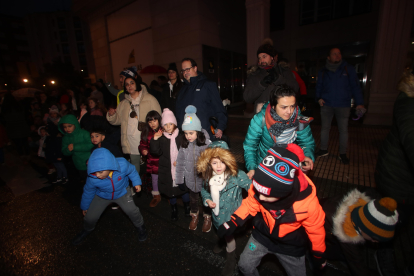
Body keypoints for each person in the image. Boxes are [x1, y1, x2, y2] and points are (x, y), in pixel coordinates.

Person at [218, 144, 326, 276]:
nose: (260, 197)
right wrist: (234, 221)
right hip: (262, 236)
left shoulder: (308, 204)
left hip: (291, 246)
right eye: (258, 191)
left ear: (284, 193)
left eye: (266, 195)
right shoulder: (260, 188)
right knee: (244, 266)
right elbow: (251, 203)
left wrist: (319, 254)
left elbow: (316, 230)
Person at [71, 148, 147, 245]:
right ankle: (87, 229)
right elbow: (88, 191)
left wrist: (136, 183)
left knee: (132, 211)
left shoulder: (122, 164)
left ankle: (140, 227)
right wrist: (85, 206)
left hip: (122, 192)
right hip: (102, 195)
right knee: (90, 217)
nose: (97, 175)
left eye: (100, 172)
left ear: (109, 166)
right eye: (95, 172)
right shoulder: (92, 177)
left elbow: (132, 170)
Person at [197, 140, 251, 276]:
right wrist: (208, 200)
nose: (218, 166)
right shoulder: (208, 176)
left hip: (233, 215)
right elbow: (204, 191)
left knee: (229, 235)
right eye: (214, 163)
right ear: (209, 163)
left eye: (222, 162)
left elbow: (252, 188)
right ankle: (222, 242)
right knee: (220, 230)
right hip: (217, 214)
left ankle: (231, 259)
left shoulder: (237, 175)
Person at [243, 84, 315, 180]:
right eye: (284, 107)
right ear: (273, 106)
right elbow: (250, 146)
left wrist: (307, 156)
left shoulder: (300, 120)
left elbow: (307, 143)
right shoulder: (260, 119)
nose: (289, 111)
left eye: (292, 106)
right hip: (265, 167)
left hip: (291, 167)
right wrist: (252, 168)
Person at [320, 188, 398, 276]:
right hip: (323, 230)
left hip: (329, 209)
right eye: (374, 238)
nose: (376, 241)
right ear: (362, 229)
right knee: (326, 251)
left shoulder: (369, 207)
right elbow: (356, 264)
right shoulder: (346, 231)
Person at [315, 47, 365, 164]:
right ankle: (323, 150)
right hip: (326, 104)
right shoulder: (323, 71)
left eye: (339, 53)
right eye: (334, 54)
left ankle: (342, 153)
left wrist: (360, 103)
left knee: (343, 130)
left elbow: (355, 87)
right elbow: (319, 86)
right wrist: (318, 98)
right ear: (329, 57)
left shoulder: (348, 69)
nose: (337, 56)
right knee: (325, 128)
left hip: (343, 105)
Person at [106, 74, 161, 175]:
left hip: (146, 139)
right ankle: (137, 187)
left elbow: (159, 117)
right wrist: (112, 115)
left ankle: (150, 188)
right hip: (130, 140)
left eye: (132, 83)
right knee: (134, 166)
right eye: (126, 84)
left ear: (137, 84)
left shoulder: (150, 99)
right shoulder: (123, 103)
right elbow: (118, 120)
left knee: (151, 166)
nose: (129, 86)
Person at [150, 108, 190, 220]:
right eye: (165, 124)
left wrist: (181, 161)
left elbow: (187, 151)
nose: (168, 127)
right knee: (170, 191)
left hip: (181, 169)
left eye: (170, 124)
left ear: (175, 124)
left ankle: (187, 207)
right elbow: (155, 152)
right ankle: (174, 209)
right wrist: (155, 140)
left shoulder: (181, 137)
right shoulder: (162, 138)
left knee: (184, 190)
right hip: (167, 170)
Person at [176, 106, 211, 231]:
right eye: (185, 133)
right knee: (193, 200)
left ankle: (207, 217)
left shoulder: (207, 144)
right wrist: (179, 180)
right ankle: (194, 215)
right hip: (190, 180)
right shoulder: (184, 145)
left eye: (191, 133)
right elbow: (180, 163)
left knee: (206, 200)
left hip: (205, 180)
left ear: (198, 131)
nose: (188, 136)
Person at [176, 58, 227, 141]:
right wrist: (179, 129)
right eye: (183, 70)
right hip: (187, 136)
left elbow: (219, 108)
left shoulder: (208, 85)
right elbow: (178, 112)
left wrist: (220, 127)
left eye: (187, 69)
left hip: (205, 134)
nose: (185, 72)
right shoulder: (182, 90)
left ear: (195, 68)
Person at [243, 39, 299, 113]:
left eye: (264, 56)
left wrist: (279, 79)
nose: (261, 60)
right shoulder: (254, 74)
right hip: (262, 118)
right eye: (259, 58)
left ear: (272, 57)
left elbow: (295, 88)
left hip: (282, 116)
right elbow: (247, 98)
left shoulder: (283, 71)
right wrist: (261, 85)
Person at [58, 114, 94, 181]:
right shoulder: (65, 138)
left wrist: (75, 147)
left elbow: (91, 144)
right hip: (78, 164)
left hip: (90, 161)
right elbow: (64, 151)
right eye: (65, 127)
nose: (67, 129)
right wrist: (68, 150)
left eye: (69, 126)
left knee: (94, 180)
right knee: (85, 180)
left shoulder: (84, 133)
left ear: (75, 124)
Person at [138, 110, 162, 207]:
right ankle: (156, 195)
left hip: (164, 160)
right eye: (150, 121)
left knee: (166, 178)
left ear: (159, 120)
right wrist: (143, 150)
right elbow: (142, 144)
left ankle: (168, 195)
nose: (152, 124)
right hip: (152, 160)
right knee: (154, 178)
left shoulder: (164, 130)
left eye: (154, 120)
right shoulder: (146, 132)